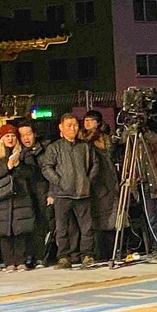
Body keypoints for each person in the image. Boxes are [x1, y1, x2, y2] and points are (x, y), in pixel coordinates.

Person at [40, 115, 98, 269]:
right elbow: (46, 168)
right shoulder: (55, 147)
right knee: (62, 227)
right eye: (69, 125)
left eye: (75, 125)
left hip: (82, 192)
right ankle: (64, 257)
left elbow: (95, 165)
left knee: (86, 227)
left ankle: (87, 255)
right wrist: (59, 182)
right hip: (62, 194)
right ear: (61, 127)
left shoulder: (85, 146)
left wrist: (87, 180)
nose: (73, 128)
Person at [0, 125, 37, 272]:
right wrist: (7, 166)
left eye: (12, 136)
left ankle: (21, 261)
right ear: (1, 139)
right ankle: (9, 262)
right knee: (4, 232)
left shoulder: (24, 154)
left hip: (20, 197)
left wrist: (18, 166)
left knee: (20, 230)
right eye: (7, 136)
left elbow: (31, 173)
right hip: (1, 198)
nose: (10, 139)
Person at [80, 113, 119, 261]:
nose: (88, 123)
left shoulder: (105, 138)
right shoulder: (81, 139)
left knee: (108, 217)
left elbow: (110, 153)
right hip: (88, 181)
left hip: (106, 179)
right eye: (86, 120)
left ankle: (109, 252)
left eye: (91, 121)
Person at [14, 120, 52, 267]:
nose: (26, 138)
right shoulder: (19, 152)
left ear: (34, 134)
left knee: (43, 224)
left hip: (42, 191)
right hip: (25, 194)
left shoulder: (46, 149)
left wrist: (52, 193)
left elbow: (48, 173)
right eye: (22, 135)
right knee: (29, 226)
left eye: (28, 134)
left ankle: (42, 256)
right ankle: (30, 255)